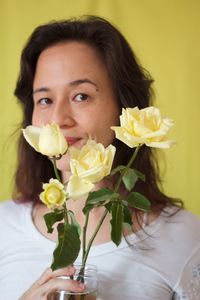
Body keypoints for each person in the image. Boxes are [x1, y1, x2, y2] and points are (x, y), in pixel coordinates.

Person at [0, 15, 200, 300]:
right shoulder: (3, 227)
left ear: (125, 105)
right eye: (45, 100)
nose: (57, 119)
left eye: (81, 96)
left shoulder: (185, 238)